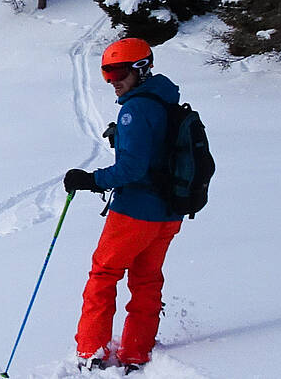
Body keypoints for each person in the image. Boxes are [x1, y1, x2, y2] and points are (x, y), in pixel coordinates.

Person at [62, 37, 183, 373]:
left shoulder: (136, 109)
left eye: (120, 72)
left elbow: (132, 168)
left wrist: (90, 180)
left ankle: (91, 351)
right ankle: (135, 352)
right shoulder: (165, 99)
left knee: (104, 274)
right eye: (107, 73)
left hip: (135, 211)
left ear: (142, 69)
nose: (113, 80)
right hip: (169, 211)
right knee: (146, 279)